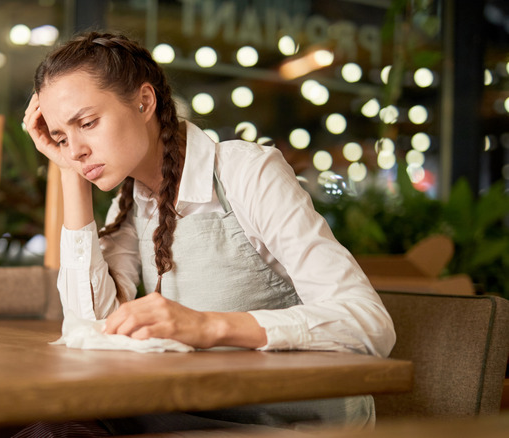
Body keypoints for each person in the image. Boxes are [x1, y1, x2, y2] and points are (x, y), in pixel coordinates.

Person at [20, 31, 396, 436]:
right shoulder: (133, 198)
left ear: (144, 101)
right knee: (48, 427)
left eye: (88, 123)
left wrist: (208, 327)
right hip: (179, 411)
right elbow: (88, 329)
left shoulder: (246, 173)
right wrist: (68, 174)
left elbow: (369, 324)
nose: (75, 148)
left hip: (286, 423)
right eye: (61, 137)